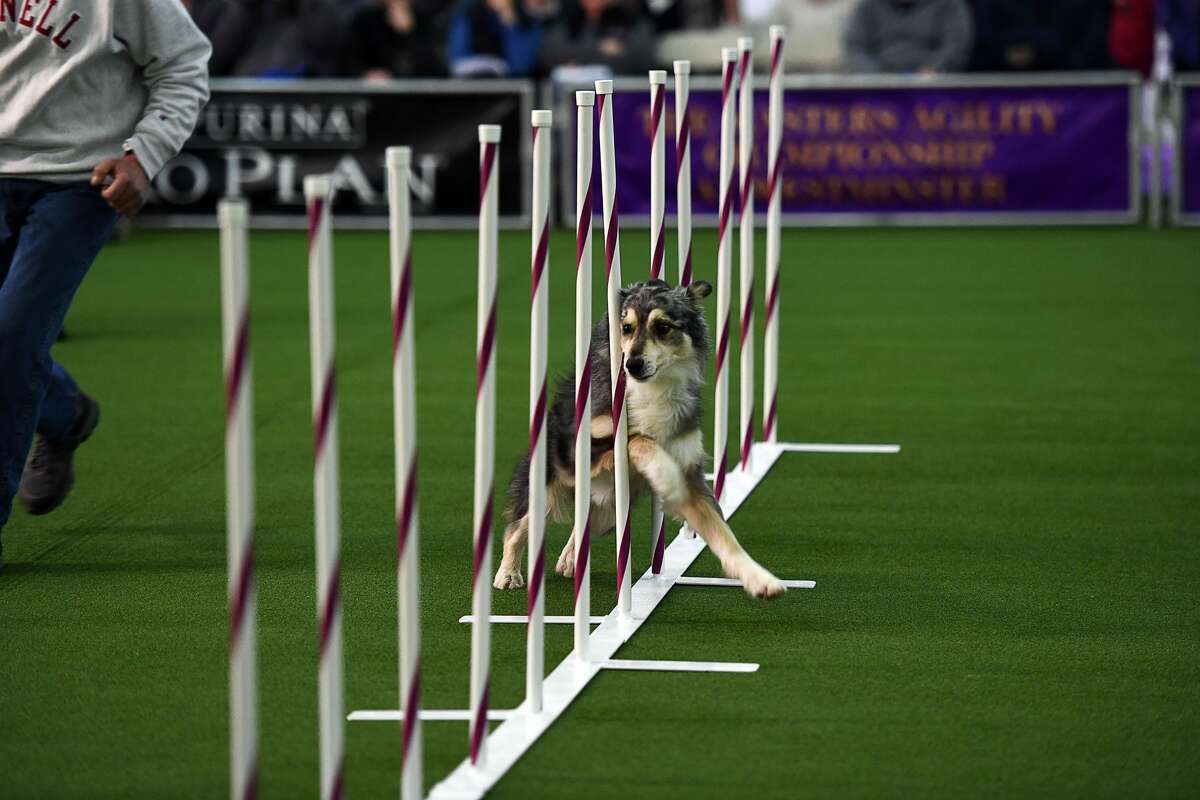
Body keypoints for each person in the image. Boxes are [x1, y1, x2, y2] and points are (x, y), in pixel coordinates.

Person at [0, 1, 211, 567]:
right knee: (12, 349)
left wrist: (142, 156)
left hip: (79, 180)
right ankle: (66, 413)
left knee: (12, 341)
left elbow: (185, 64)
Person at [968, 0, 1109, 71]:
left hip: (1071, 94)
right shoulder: (991, 3)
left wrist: (1040, 50)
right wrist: (1007, 53)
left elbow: (1089, 47)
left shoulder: (1081, 4)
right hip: (1000, 92)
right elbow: (981, 41)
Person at [844, 0, 974, 74]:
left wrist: (934, 68)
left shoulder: (949, 4)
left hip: (936, 82)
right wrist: (876, 75)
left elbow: (956, 44)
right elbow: (855, 46)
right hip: (880, 82)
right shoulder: (868, 6)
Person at [338, 0, 447, 79]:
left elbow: (437, 69)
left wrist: (407, 34)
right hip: (374, 95)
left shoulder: (424, 21)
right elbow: (346, 64)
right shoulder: (364, 21)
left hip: (417, 98)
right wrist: (365, 75)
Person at [541, 0, 656, 74]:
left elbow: (644, 57)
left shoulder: (631, 21)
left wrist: (579, 59)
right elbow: (549, 53)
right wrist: (600, 49)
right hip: (574, 97)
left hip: (620, 96)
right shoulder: (569, 20)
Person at [447, 0, 546, 77]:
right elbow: (457, 58)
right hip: (472, 87)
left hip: (513, 90)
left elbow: (520, 66)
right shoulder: (469, 13)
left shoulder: (527, 19)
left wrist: (508, 19)